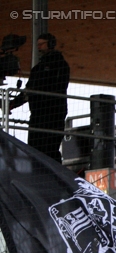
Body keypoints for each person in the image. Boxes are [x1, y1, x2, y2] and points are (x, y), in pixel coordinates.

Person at [8, 33, 69, 162]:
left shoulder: (60, 65)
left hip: (52, 114)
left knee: (49, 150)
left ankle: (54, 179)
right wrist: (12, 104)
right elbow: (30, 91)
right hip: (38, 115)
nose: (39, 47)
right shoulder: (38, 68)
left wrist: (15, 102)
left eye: (42, 44)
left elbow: (50, 88)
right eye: (38, 45)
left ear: (51, 44)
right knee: (35, 150)